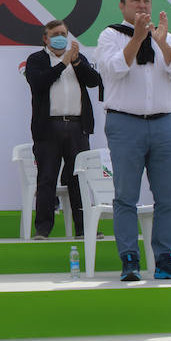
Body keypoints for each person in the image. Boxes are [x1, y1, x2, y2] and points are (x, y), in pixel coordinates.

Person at [97, 0, 171, 281]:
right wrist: (137, 39)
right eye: (136, 0)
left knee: (169, 196)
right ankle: (129, 260)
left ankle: (165, 260)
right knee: (126, 196)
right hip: (125, 124)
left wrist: (162, 44)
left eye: (147, 1)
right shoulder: (110, 36)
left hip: (164, 123)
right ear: (122, 6)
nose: (142, 5)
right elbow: (113, 70)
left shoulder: (164, 36)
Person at [24, 20, 101, 238]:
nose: (60, 37)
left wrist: (75, 62)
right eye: (55, 33)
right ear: (46, 38)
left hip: (77, 126)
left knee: (79, 179)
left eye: (64, 33)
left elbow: (94, 81)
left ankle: (83, 228)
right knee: (47, 178)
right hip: (48, 128)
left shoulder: (77, 58)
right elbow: (38, 83)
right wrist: (62, 63)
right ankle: (43, 229)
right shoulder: (36, 60)